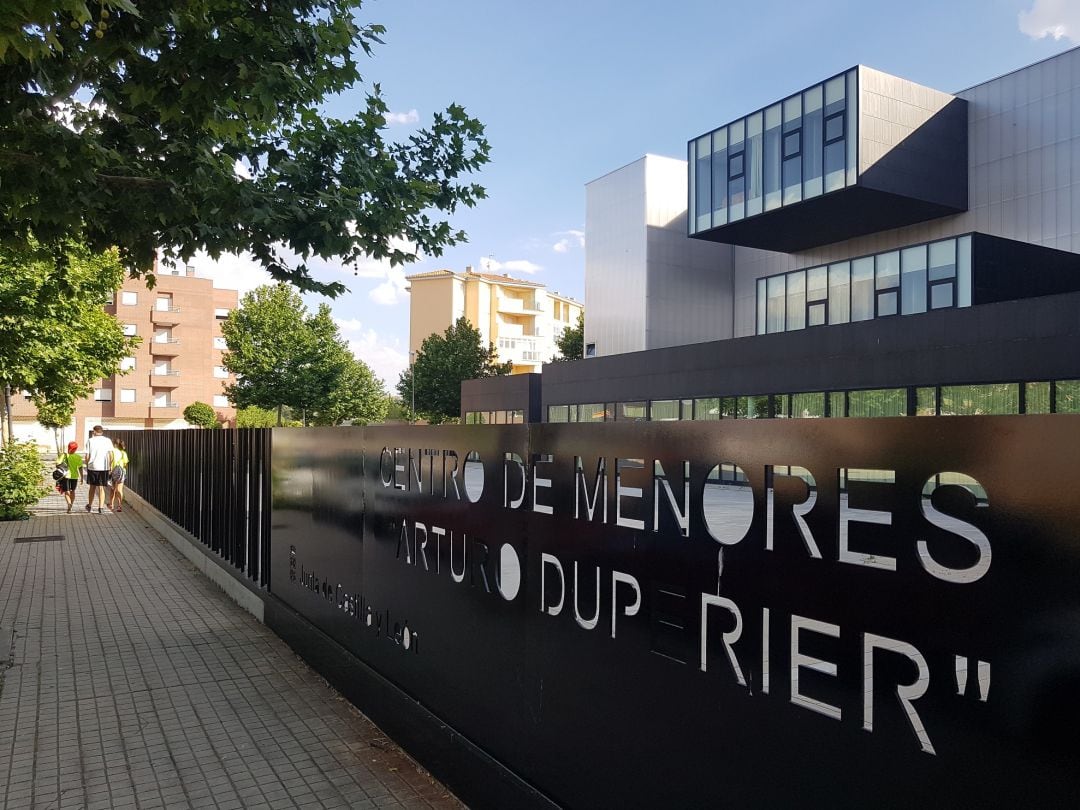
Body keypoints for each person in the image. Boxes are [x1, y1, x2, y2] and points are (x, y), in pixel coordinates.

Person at [83, 425, 114, 514]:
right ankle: (101, 508)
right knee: (101, 488)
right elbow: (111, 454)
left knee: (92, 487)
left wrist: (87, 464)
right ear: (102, 432)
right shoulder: (107, 440)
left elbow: (87, 455)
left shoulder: (90, 440)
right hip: (104, 467)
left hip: (92, 467)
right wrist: (110, 465)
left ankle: (89, 505)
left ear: (94, 432)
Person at [56, 441, 83, 514]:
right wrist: (82, 477)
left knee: (67, 491)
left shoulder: (64, 455)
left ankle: (69, 504)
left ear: (68, 447)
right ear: (76, 449)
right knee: (73, 491)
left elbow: (57, 464)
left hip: (66, 476)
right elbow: (80, 468)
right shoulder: (78, 457)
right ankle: (71, 504)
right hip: (74, 477)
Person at [109, 438, 129, 513]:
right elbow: (125, 464)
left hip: (113, 472)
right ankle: (119, 506)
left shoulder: (113, 452)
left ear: (115, 444)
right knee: (119, 490)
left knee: (112, 489)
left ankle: (111, 504)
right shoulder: (124, 453)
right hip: (121, 473)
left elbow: (109, 461)